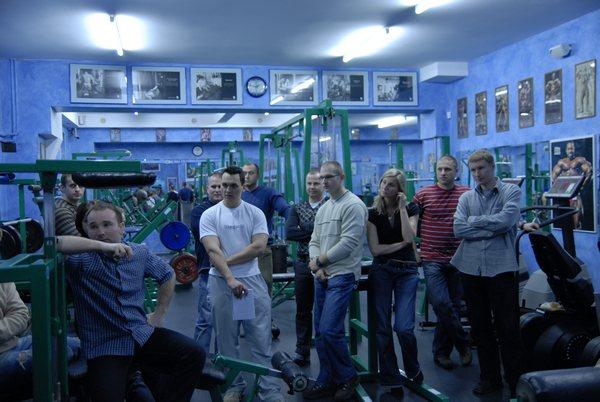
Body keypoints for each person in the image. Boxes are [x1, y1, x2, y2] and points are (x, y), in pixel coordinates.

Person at [56, 201, 205, 402]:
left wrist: (159, 314)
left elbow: (168, 274)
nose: (101, 232)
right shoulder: (81, 261)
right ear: (87, 231)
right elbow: (55, 243)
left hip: (140, 334)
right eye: (94, 227)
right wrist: (103, 246)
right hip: (106, 346)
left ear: (122, 227)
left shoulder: (138, 253)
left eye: (107, 224)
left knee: (194, 354)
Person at [200, 166, 281, 402]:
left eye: (233, 185)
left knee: (260, 337)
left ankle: (268, 389)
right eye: (224, 185)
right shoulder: (210, 215)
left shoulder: (255, 213)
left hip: (251, 280)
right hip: (221, 282)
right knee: (226, 340)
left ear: (243, 187)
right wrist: (229, 277)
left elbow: (258, 247)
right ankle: (234, 386)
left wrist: (224, 262)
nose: (227, 190)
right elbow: (212, 249)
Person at [451, 149, 529, 397]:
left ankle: (516, 381)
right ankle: (490, 379)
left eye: (481, 168)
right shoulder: (466, 198)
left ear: (492, 167)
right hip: (470, 267)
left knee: (508, 328)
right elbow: (458, 229)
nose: (477, 174)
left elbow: (506, 221)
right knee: (480, 328)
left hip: (501, 268)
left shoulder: (511, 191)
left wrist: (475, 221)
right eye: (473, 170)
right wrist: (490, 227)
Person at [303, 161, 367, 401]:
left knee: (330, 330)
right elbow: (314, 240)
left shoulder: (353, 205)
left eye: (329, 177)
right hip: (322, 276)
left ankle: (348, 376)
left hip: (342, 275)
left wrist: (320, 261)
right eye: (322, 178)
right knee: (320, 333)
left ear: (341, 176)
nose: (324, 182)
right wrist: (316, 265)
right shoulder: (324, 207)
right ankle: (326, 379)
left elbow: (348, 243)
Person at [366, 168, 423, 397]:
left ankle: (412, 368)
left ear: (400, 189)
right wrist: (402, 245)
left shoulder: (411, 208)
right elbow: (376, 249)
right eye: (383, 183)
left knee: (403, 327)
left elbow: (410, 236)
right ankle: (391, 378)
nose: (385, 187)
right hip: (382, 270)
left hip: (407, 271)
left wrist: (402, 208)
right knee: (382, 328)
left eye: (390, 184)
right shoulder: (372, 213)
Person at [413, 156, 472, 370]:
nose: (443, 173)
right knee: (441, 303)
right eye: (440, 169)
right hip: (432, 258)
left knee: (453, 306)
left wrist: (520, 224)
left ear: (456, 171)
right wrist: (414, 249)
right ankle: (463, 343)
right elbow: (410, 221)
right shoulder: (423, 195)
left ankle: (441, 353)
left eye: (448, 169)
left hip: (458, 258)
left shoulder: (466, 193)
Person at [0, 281, 80, 394]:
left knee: (79, 344)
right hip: (4, 354)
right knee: (60, 352)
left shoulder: (4, 278)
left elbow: (21, 314)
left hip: (13, 342)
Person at [284, 169, 328, 366]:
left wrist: (305, 228)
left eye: (316, 183)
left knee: (325, 310)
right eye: (309, 183)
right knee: (303, 309)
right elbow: (290, 233)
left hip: (326, 263)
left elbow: (331, 233)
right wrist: (317, 230)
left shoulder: (330, 205)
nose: (312, 187)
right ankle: (302, 350)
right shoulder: (297, 208)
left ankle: (326, 351)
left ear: (323, 184)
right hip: (302, 263)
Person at [241, 163, 290, 302]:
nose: (247, 176)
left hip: (261, 249)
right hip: (240, 248)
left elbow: (284, 208)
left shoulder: (269, 193)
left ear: (258, 175)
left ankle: (265, 315)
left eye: (251, 173)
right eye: (244, 173)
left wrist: (293, 221)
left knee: (263, 287)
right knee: (241, 288)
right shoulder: (238, 194)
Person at [189, 173, 223, 351]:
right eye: (213, 186)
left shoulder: (233, 209)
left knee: (225, 322)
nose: (217, 190)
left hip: (231, 271)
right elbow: (205, 235)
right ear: (207, 189)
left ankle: (223, 360)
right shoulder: (198, 212)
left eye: (220, 186)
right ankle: (199, 361)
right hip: (207, 271)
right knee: (205, 319)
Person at [551, 141, 593, 229]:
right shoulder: (561, 162)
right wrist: (559, 189)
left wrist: (581, 187)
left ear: (574, 149)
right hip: (564, 195)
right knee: (564, 221)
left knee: (577, 221)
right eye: (569, 149)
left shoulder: (579, 160)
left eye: (572, 148)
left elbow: (589, 172)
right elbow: (553, 177)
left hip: (575, 195)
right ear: (566, 150)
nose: (570, 151)